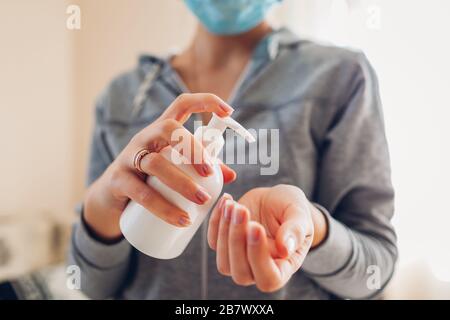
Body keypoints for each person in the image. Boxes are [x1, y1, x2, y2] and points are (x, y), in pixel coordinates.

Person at [68, 0, 397, 299]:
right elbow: (86, 285)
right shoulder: (121, 98)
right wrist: (100, 206)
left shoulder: (339, 77)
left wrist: (310, 229)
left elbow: (375, 272)